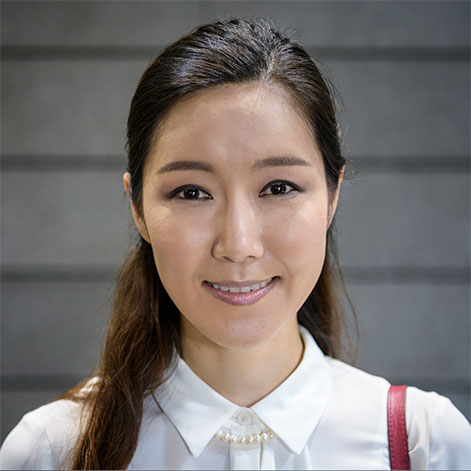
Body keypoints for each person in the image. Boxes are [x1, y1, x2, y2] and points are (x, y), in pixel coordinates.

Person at [1, 16, 469, 471]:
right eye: (191, 193)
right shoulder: (53, 450)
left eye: (279, 187)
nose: (239, 244)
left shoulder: (423, 445)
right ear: (137, 208)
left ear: (333, 196)